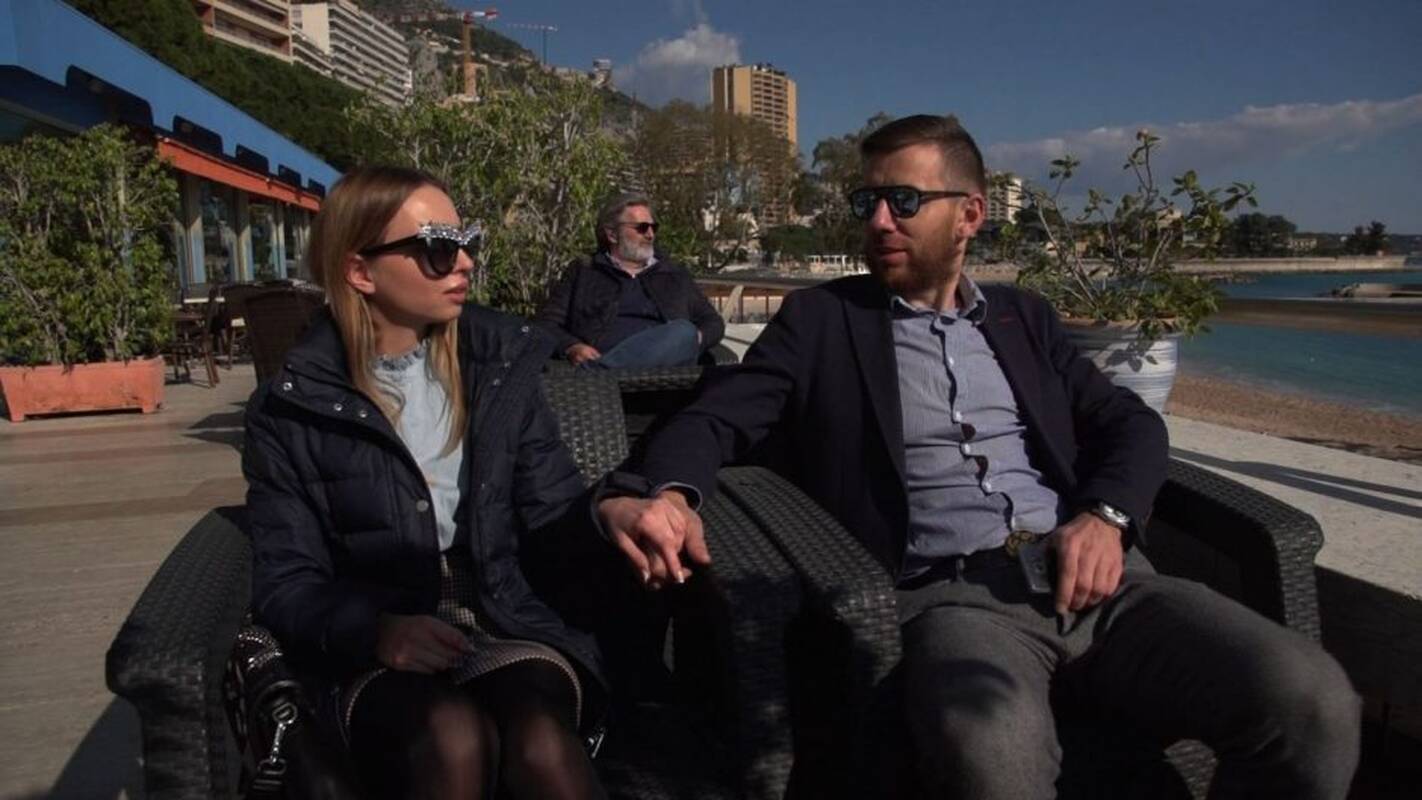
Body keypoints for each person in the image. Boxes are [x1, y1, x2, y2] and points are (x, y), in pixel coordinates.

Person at [597, 115, 1360, 797]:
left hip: (1106, 582)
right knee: (991, 753)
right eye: (868, 202)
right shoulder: (823, 320)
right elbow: (717, 417)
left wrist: (1107, 516)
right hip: (955, 603)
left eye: (903, 200)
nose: (879, 221)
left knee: (1310, 699)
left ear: (969, 214)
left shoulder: (1025, 319)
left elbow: (1128, 422)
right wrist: (668, 492)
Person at [243, 166, 609, 800]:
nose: (465, 263)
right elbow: (287, 580)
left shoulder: (498, 368)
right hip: (373, 635)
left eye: (467, 242)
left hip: (503, 612)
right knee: (452, 737)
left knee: (543, 744)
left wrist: (615, 511)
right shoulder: (291, 408)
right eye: (439, 248)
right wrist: (377, 631)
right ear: (360, 271)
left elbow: (555, 512)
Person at [534, 192, 724, 368]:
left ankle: (603, 371)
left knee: (683, 331)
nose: (650, 235)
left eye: (653, 227)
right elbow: (546, 324)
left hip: (665, 368)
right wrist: (571, 346)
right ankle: (606, 370)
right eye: (642, 228)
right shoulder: (584, 271)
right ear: (612, 234)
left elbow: (712, 322)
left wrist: (690, 341)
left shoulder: (673, 274)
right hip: (601, 357)